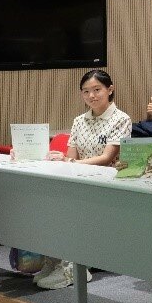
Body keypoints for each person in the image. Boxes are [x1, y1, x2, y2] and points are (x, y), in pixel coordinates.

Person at [30, 70, 133, 289]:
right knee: (47, 203)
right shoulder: (79, 121)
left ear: (110, 90)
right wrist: (62, 158)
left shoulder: (121, 119)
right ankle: (54, 261)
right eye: (86, 92)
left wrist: (71, 164)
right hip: (79, 179)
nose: (91, 96)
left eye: (97, 90)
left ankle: (72, 269)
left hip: (108, 183)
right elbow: (72, 156)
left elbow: (107, 158)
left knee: (68, 209)